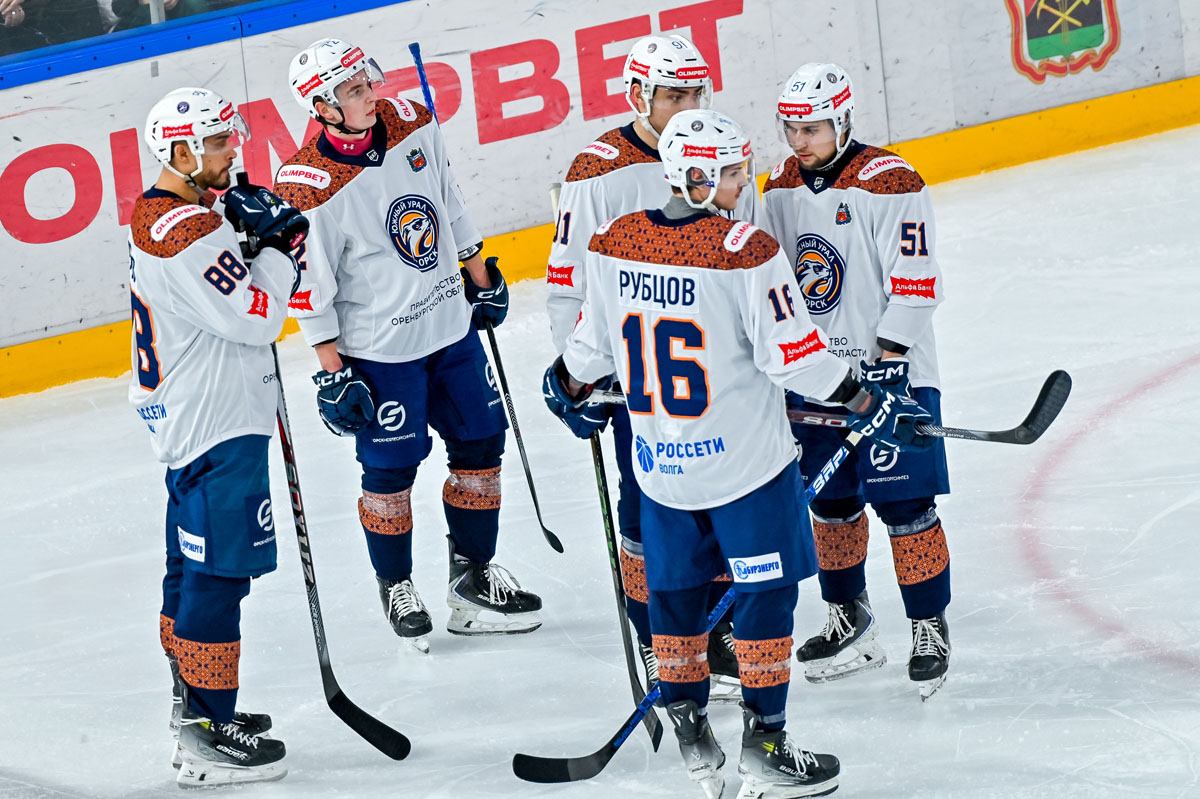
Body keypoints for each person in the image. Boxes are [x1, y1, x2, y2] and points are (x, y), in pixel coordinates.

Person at [544, 108, 932, 799]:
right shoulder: (745, 249)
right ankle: (767, 743)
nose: (741, 182)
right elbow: (797, 360)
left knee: (674, 597)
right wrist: (865, 399)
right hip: (747, 473)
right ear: (697, 176)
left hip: (662, 473)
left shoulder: (612, 241)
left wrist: (564, 385)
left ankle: (692, 732)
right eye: (730, 172)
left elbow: (590, 347)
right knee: (764, 599)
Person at [274, 38, 540, 653]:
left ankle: (472, 579)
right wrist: (331, 370)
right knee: (391, 471)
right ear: (323, 108)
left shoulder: (412, 121)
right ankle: (395, 583)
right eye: (354, 90)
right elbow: (310, 289)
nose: (371, 94)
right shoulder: (308, 184)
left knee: (482, 446)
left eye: (368, 80)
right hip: (381, 351)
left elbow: (448, 201)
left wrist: (479, 276)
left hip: (451, 329)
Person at [546, 33, 757, 697]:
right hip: (639, 375)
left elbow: (750, 255)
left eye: (698, 92)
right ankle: (654, 629)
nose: (691, 106)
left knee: (721, 501)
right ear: (638, 95)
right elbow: (568, 282)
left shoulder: (721, 151)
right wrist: (578, 374)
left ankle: (717, 627)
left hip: (719, 373)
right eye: (675, 94)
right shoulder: (597, 170)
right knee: (647, 510)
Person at [130, 86, 308, 786]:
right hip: (217, 422)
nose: (232, 150)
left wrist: (242, 235)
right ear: (179, 152)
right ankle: (206, 730)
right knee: (217, 573)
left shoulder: (164, 212)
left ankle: (193, 707)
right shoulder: (188, 231)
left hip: (189, 414)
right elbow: (258, 316)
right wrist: (281, 249)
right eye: (217, 142)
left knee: (188, 566)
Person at [760, 63, 953, 700]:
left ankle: (928, 626)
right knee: (830, 505)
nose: (800, 141)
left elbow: (917, 280)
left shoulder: (890, 181)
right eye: (791, 129)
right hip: (818, 379)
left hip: (894, 374)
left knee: (906, 506)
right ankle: (851, 620)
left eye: (812, 129)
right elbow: (774, 280)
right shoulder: (779, 186)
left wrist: (889, 360)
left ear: (843, 120)